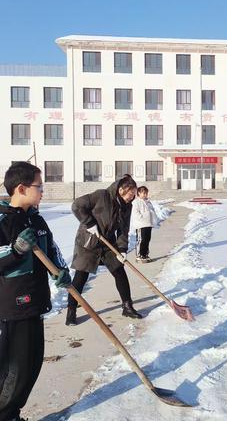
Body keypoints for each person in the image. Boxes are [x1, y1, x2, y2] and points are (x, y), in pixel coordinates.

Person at [0, 162, 71, 421]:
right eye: (39, 186)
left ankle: (12, 412)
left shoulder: (36, 219)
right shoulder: (2, 219)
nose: (42, 191)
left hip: (36, 302)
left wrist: (61, 271)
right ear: (21, 188)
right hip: (13, 306)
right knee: (13, 370)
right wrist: (15, 249)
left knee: (32, 364)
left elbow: (51, 250)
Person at [65, 174, 142, 326]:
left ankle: (127, 306)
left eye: (133, 196)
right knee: (81, 276)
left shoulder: (127, 206)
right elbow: (77, 205)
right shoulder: (101, 195)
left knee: (119, 270)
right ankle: (71, 311)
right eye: (130, 195)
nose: (131, 198)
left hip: (107, 243)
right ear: (121, 190)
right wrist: (89, 223)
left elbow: (123, 230)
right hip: (88, 241)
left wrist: (122, 249)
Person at [130, 186, 159, 263]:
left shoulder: (148, 202)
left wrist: (154, 220)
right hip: (141, 224)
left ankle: (145, 254)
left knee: (147, 239)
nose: (145, 194)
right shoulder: (136, 202)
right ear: (139, 193)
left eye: (146, 193)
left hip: (148, 224)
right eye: (144, 193)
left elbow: (152, 211)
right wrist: (142, 218)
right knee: (141, 240)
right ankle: (139, 255)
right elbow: (135, 213)